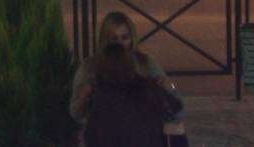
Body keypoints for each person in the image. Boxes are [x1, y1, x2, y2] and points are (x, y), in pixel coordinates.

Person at [71, 12, 184, 145]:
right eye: (114, 39)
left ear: (132, 38)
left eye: (124, 38)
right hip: (105, 135)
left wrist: (169, 87)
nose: (120, 44)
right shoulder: (90, 67)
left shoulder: (146, 64)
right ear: (104, 40)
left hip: (142, 135)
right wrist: (83, 97)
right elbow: (76, 114)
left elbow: (177, 110)